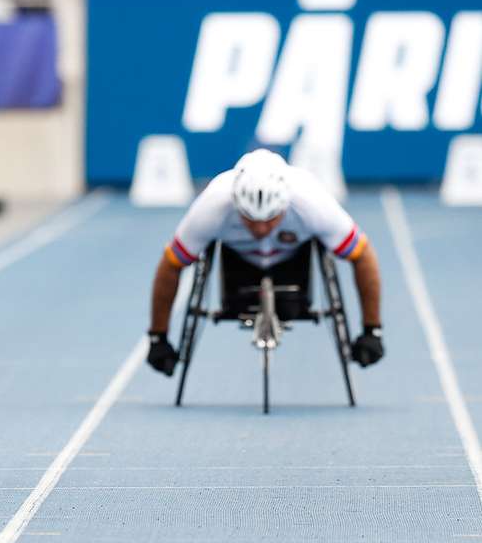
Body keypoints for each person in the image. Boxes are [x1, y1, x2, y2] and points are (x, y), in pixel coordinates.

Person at [147, 148, 384, 375]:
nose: (261, 228)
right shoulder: (213, 205)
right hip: (236, 267)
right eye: (249, 219)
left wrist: (372, 329)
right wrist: (158, 336)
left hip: (294, 267)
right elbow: (171, 264)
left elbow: (362, 255)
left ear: (285, 204)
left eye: (271, 219)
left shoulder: (312, 202)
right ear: (236, 204)